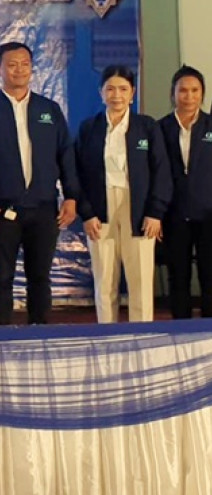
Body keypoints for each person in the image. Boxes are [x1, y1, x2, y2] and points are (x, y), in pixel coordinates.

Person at [0, 42, 79, 325]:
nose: (19, 70)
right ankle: (0, 336)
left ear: (32, 68)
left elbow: (66, 155)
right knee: (1, 276)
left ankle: (40, 333)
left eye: (25, 64)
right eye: (12, 64)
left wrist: (71, 196)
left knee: (40, 277)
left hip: (43, 207)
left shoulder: (48, 109)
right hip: (1, 209)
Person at [75, 65, 171, 323]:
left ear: (132, 93)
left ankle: (142, 334)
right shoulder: (89, 128)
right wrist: (87, 213)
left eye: (123, 89)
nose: (116, 95)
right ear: (101, 92)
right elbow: (77, 174)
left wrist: (155, 212)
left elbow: (161, 171)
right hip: (100, 211)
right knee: (104, 279)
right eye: (110, 89)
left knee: (140, 280)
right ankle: (107, 334)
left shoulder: (147, 127)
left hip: (138, 209)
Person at [159, 65, 212, 319]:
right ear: (173, 94)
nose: (189, 96)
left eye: (195, 90)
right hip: (174, 214)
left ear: (202, 93)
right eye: (183, 91)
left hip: (209, 215)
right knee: (177, 276)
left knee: (209, 275)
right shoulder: (159, 128)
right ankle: (179, 330)